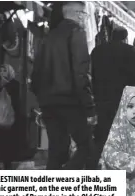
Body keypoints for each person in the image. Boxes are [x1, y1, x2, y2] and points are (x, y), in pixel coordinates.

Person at [31, 2, 97, 170]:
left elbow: (35, 73)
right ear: (77, 14)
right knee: (86, 147)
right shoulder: (76, 32)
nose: (85, 18)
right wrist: (89, 106)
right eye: (84, 15)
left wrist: (40, 98)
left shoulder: (47, 36)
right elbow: (80, 72)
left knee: (57, 149)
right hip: (70, 100)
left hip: (48, 102)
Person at [91, 26, 135, 168]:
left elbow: (93, 75)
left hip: (102, 98)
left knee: (102, 133)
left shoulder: (97, 51)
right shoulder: (129, 50)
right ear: (125, 38)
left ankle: (95, 163)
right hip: (122, 98)